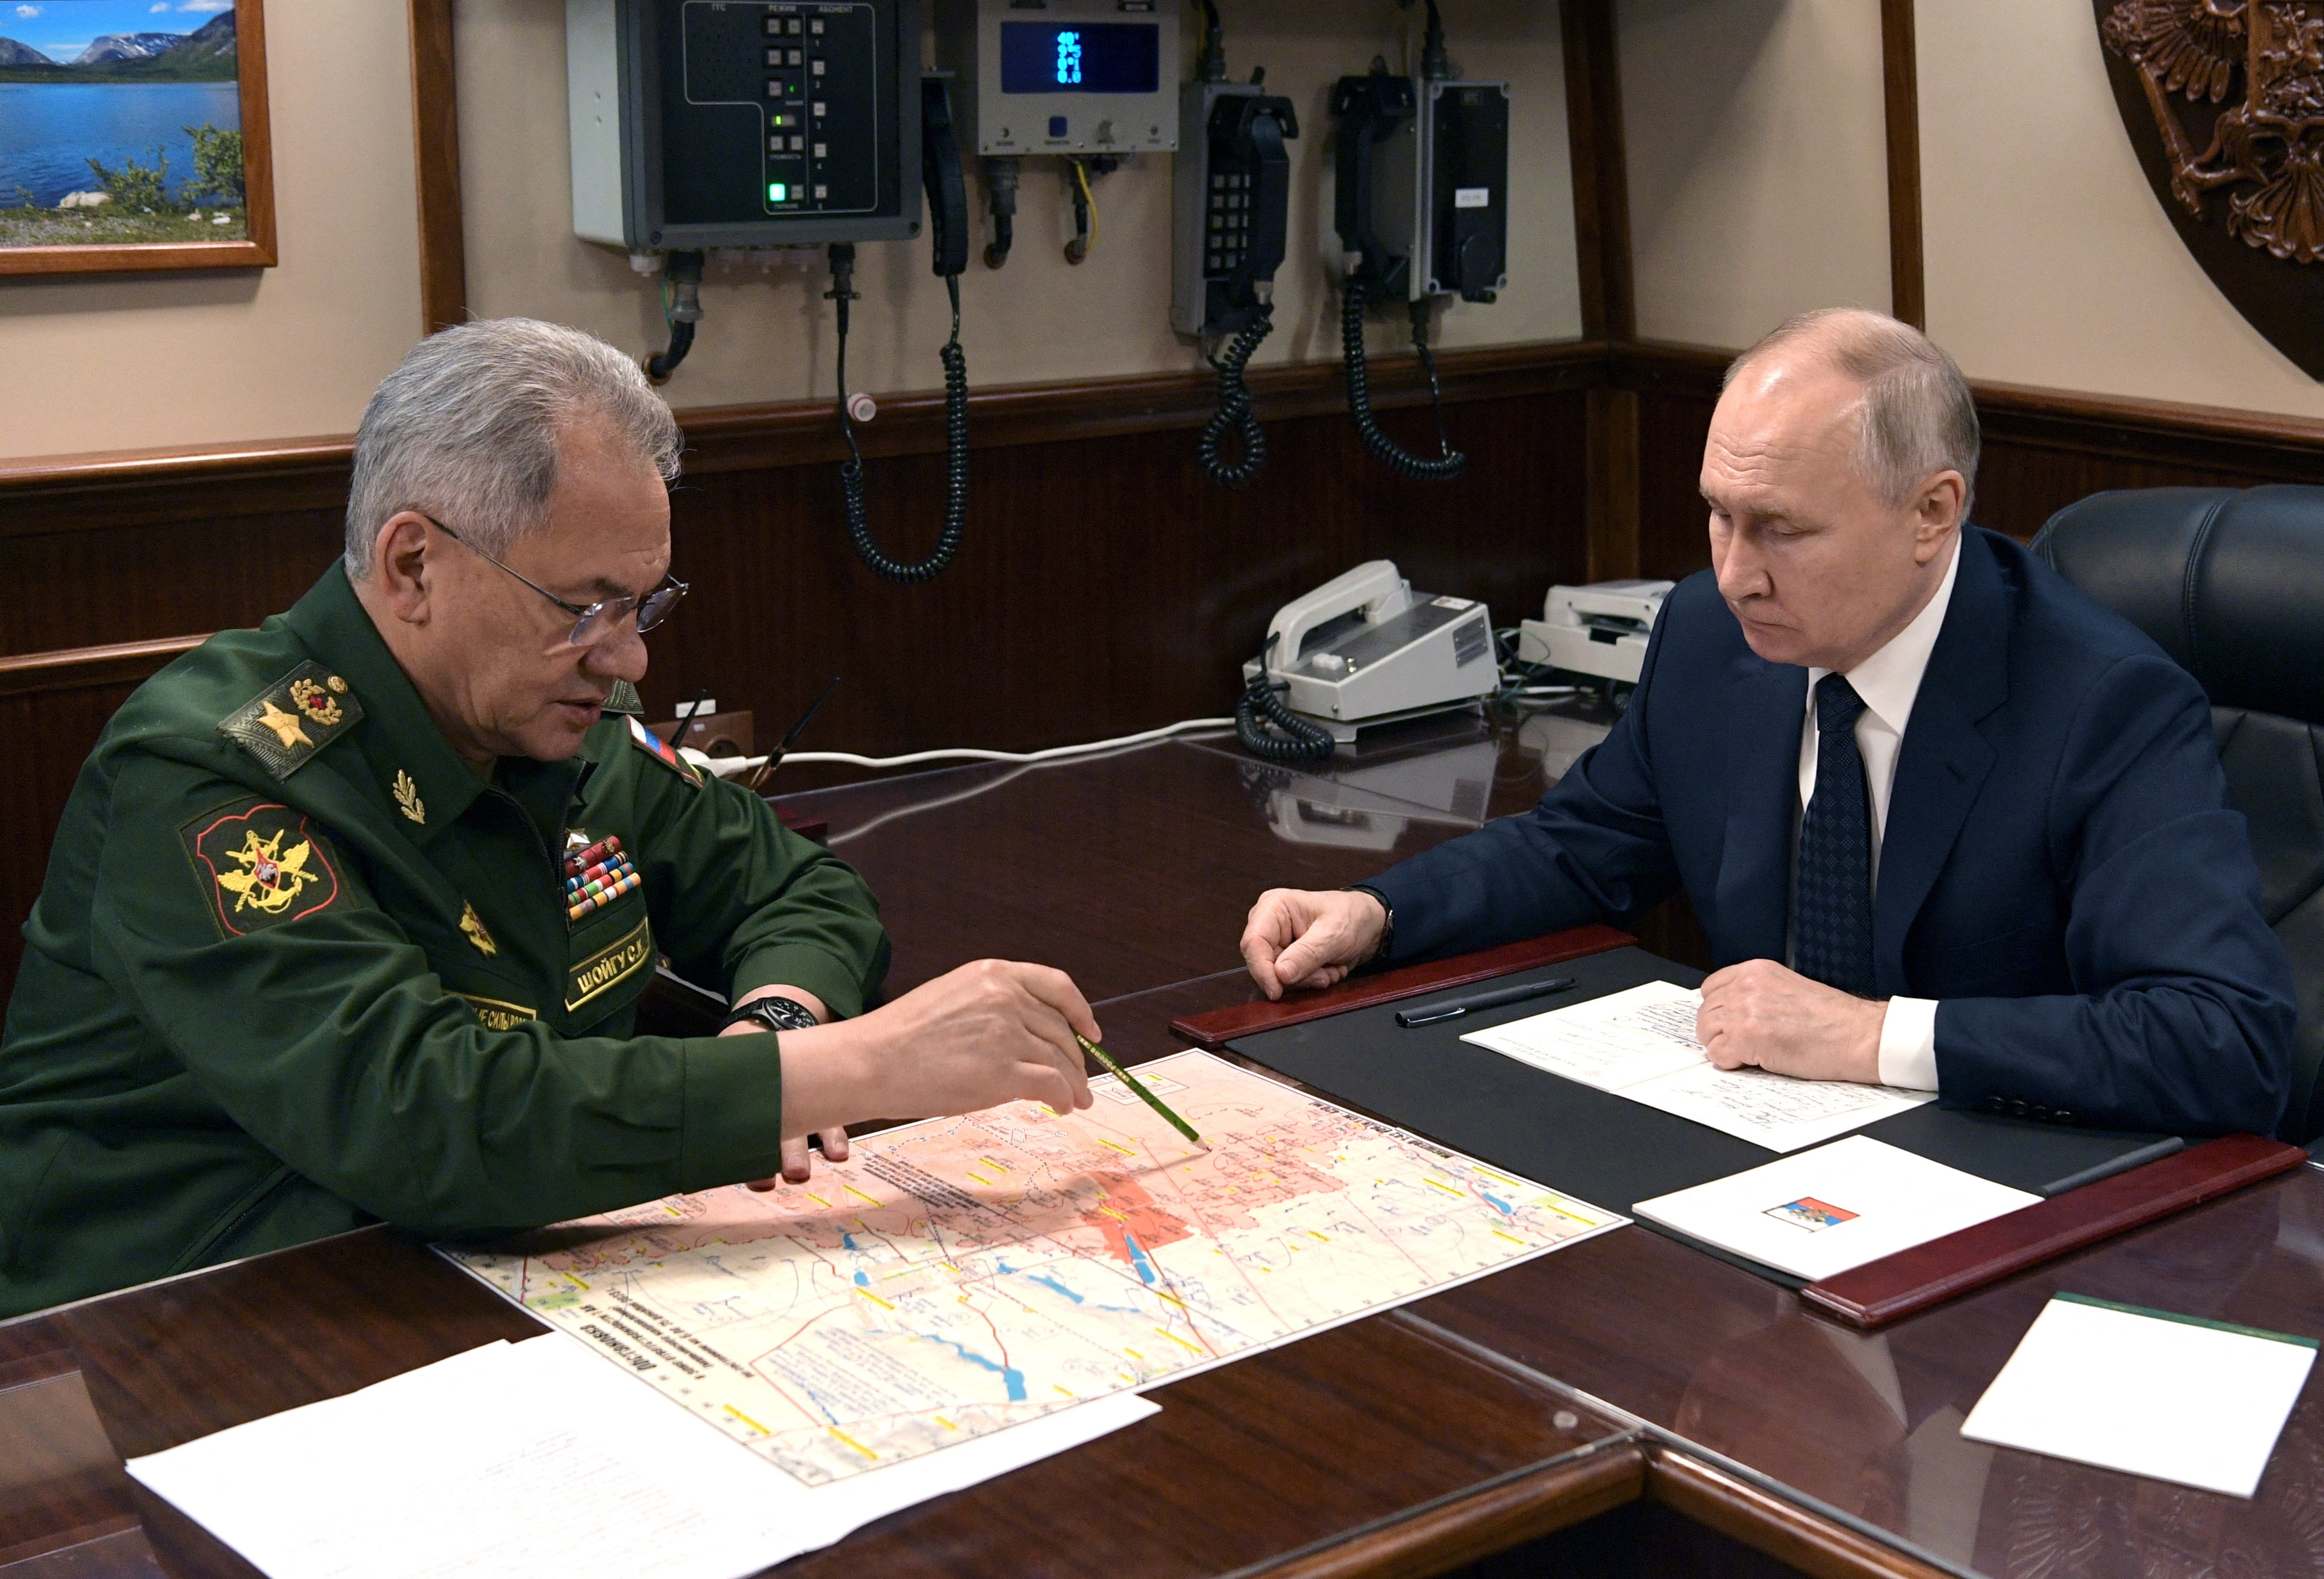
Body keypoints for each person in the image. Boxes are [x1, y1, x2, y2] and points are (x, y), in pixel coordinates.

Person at [0, 319, 1097, 1319]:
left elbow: (792, 887)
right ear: (414, 565)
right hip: (195, 1312)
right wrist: (856, 1069)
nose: (628, 656)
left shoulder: (557, 718)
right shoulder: (215, 773)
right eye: (586, 610)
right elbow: (422, 1116)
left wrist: (783, 1024)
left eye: (645, 604)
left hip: (495, 1260)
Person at [1239, 309, 2295, 1138]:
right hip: (1761, 1154)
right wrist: (1379, 912)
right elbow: (1584, 845)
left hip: (2003, 1178)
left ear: (1932, 514)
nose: (1734, 574)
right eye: (1717, 515)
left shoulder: (2100, 702)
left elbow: (2220, 1040)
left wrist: (1874, 1038)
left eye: (1781, 530)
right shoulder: (1708, 632)